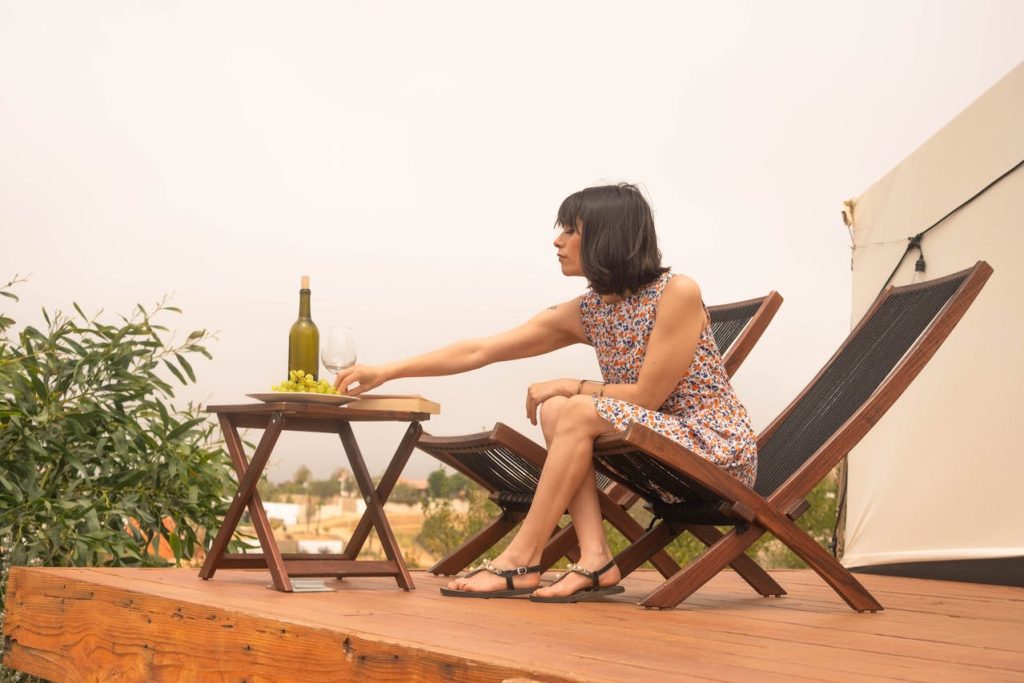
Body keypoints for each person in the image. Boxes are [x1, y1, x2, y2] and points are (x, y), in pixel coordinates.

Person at [333, 183, 757, 602]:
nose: (558, 241)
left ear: (608, 236)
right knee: (556, 410)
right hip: (651, 450)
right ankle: (595, 558)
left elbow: (646, 397)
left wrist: (571, 384)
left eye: (571, 230)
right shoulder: (590, 309)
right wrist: (387, 371)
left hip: (711, 450)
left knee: (572, 406)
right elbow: (481, 350)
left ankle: (521, 559)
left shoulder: (677, 292)